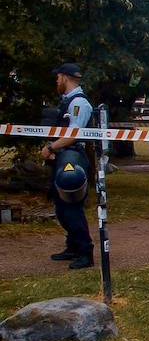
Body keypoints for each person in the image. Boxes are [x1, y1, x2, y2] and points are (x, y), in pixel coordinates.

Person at [40, 63, 96, 270]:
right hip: (63, 156)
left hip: (73, 157)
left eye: (58, 78)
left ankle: (85, 251)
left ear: (64, 77)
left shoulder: (78, 103)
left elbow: (73, 135)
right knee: (62, 207)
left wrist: (50, 146)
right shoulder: (67, 102)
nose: (56, 81)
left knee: (71, 207)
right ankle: (72, 246)